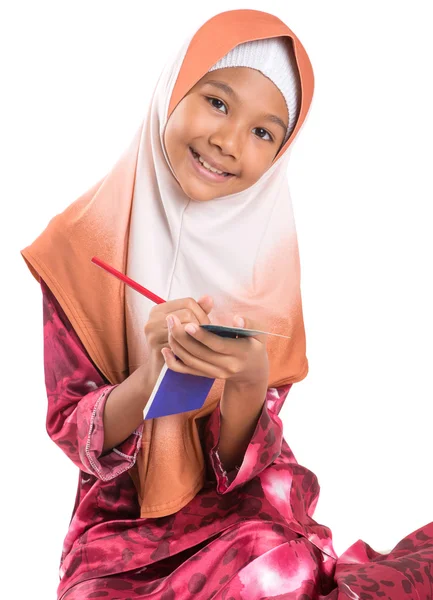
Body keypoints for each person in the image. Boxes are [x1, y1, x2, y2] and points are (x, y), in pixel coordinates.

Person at [21, 8, 432, 600]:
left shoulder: (265, 265)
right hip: (119, 538)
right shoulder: (81, 246)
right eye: (216, 102)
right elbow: (70, 427)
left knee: (271, 566)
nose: (227, 142)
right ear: (174, 87)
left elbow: (241, 465)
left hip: (238, 521)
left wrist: (247, 382)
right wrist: (149, 377)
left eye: (264, 132)